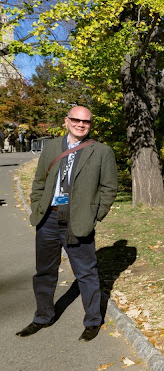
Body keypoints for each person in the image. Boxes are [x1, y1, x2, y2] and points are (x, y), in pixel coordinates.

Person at [16, 106, 118, 342]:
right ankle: (43, 317)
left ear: (91, 125)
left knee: (86, 273)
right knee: (44, 272)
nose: (81, 124)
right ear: (67, 121)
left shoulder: (101, 152)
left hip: (78, 220)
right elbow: (39, 180)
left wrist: (95, 215)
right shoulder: (51, 147)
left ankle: (93, 321)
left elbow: (109, 188)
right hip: (48, 218)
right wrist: (36, 206)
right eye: (76, 120)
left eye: (86, 122)